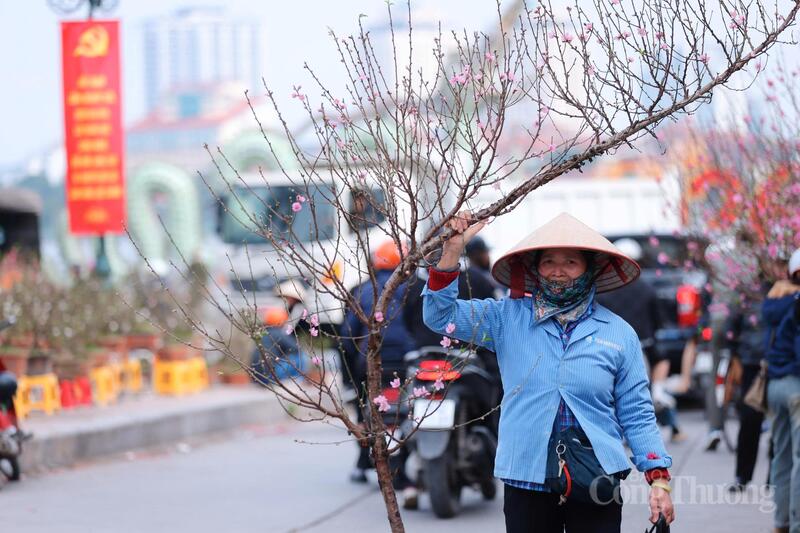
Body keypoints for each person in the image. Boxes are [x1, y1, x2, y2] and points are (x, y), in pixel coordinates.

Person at [424, 212, 674, 532]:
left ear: (589, 269)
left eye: (571, 262)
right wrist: (452, 251)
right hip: (526, 477)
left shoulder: (619, 333)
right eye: (548, 262)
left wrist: (659, 479)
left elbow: (637, 412)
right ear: (535, 270)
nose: (558, 271)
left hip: (596, 477)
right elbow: (439, 316)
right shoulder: (506, 318)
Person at [340, 240, 418, 508]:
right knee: (406, 412)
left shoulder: (363, 291)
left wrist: (352, 372)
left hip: (371, 362)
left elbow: (348, 336)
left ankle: (366, 463)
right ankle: (401, 469)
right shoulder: (412, 289)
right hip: (407, 360)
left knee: (371, 413)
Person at [597, 238, 684, 443]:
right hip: (644, 344)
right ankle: (661, 396)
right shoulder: (647, 288)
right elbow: (658, 322)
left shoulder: (604, 290)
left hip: (609, 346)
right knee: (656, 373)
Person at [764, 248, 800, 533]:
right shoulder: (797, 302)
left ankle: (781, 522)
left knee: (782, 455)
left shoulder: (775, 300)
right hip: (796, 385)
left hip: (774, 384)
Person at [724, 279, 770, 493]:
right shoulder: (749, 293)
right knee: (749, 421)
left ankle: (775, 477)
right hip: (751, 364)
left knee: (782, 425)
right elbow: (731, 329)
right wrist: (736, 358)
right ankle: (742, 475)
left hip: (782, 364)